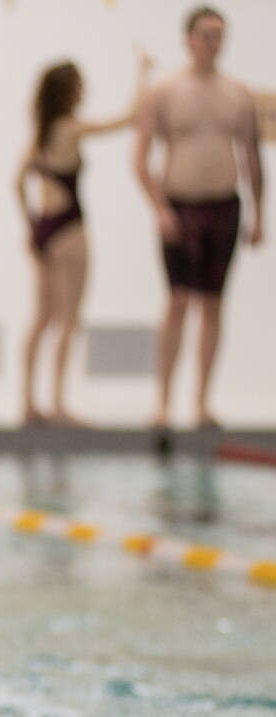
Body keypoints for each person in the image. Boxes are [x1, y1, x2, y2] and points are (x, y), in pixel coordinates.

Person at [132, 6, 263, 430]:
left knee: (213, 304)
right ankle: (163, 402)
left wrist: (261, 214)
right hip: (180, 205)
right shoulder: (166, 90)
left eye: (220, 35)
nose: (214, 42)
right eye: (206, 34)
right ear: (188, 38)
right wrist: (159, 207)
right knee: (177, 301)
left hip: (224, 205)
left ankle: (202, 402)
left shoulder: (239, 94)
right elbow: (140, 158)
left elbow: (253, 159)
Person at [17, 54, 150, 427]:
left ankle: (28, 401)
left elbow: (17, 180)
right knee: (69, 320)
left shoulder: (39, 136)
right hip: (69, 230)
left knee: (42, 319)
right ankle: (58, 404)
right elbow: (126, 119)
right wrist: (143, 74)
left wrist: (28, 224)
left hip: (44, 227)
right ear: (69, 92)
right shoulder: (70, 129)